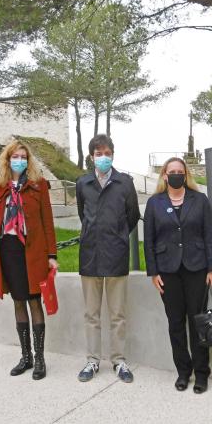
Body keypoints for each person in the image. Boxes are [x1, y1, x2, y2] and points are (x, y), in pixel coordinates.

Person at [143, 157, 212, 394]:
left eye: (180, 171)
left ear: (185, 175)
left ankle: (202, 373)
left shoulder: (200, 200)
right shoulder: (154, 203)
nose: (176, 174)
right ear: (164, 176)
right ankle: (183, 372)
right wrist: (153, 272)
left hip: (197, 269)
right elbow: (149, 240)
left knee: (198, 322)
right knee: (175, 323)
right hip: (167, 272)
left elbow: (209, 235)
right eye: (172, 171)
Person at [0, 140, 58, 380]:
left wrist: (52, 255)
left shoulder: (39, 185)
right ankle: (25, 357)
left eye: (24, 157)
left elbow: (48, 222)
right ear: (7, 160)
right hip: (8, 250)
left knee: (35, 301)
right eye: (15, 156)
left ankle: (40, 359)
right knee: (18, 301)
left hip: (33, 251)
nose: (20, 161)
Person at [75, 134, 141, 383]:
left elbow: (132, 215)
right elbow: (83, 214)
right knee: (91, 314)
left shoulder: (125, 183)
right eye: (98, 153)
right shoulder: (83, 183)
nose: (103, 157)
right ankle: (92, 360)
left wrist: (118, 236)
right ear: (92, 157)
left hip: (116, 254)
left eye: (107, 153)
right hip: (90, 254)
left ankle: (119, 360)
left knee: (117, 314)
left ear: (113, 154)